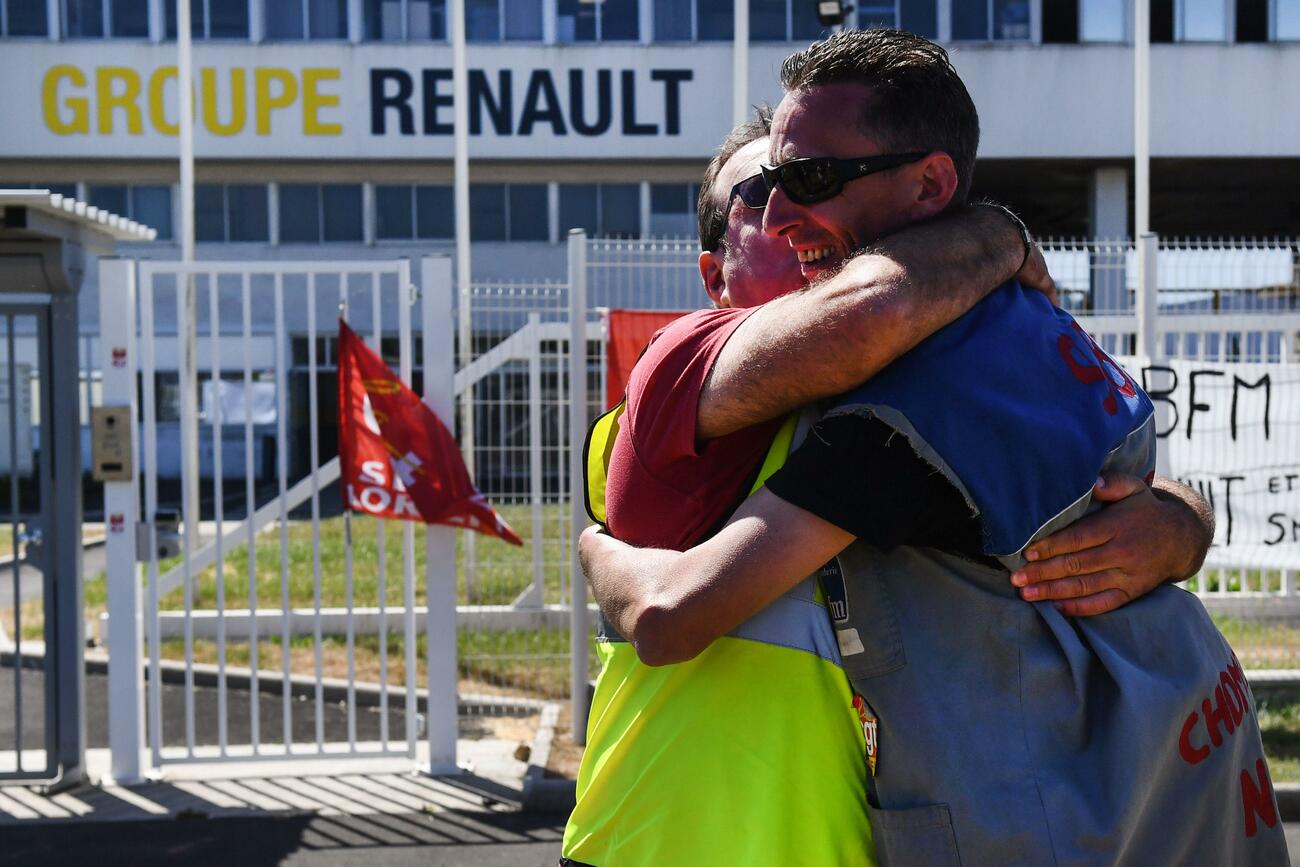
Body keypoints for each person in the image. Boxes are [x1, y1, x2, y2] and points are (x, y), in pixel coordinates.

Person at [579, 29, 1286, 865]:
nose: (780, 214)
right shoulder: (685, 365)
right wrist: (997, 235)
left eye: (806, 180)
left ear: (929, 187)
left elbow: (1114, 470)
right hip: (669, 837)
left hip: (1020, 817)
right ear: (711, 268)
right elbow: (869, 314)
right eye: (758, 194)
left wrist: (1176, 523)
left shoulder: (916, 392)